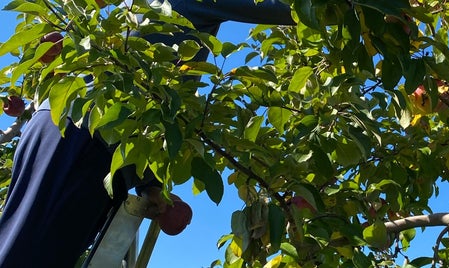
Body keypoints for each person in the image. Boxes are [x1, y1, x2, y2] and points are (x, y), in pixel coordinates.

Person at [0, 1, 295, 267]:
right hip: (85, 133)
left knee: (29, 239)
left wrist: (149, 185)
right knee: (36, 250)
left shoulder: (139, 10)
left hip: (65, 129)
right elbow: (284, 6)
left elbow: (154, 112)